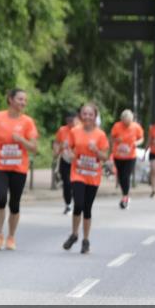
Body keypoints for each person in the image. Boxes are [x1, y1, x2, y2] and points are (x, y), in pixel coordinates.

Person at [0, 88, 39, 250]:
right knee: (1, 198)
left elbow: (34, 148)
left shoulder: (28, 122)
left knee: (14, 203)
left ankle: (11, 236)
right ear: (10, 99)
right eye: (20, 99)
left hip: (18, 167)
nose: (23, 102)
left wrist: (22, 140)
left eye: (25, 100)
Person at [61, 103, 110, 254]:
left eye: (90, 114)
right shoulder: (75, 131)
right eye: (84, 114)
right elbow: (67, 148)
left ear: (95, 117)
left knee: (87, 208)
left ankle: (86, 240)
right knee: (78, 204)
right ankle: (74, 234)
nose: (87, 117)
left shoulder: (100, 135)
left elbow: (105, 157)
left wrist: (96, 150)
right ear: (80, 115)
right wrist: (69, 154)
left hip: (93, 176)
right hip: (78, 173)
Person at [110, 109, 144, 209]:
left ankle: (125, 197)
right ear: (122, 120)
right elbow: (111, 138)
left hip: (130, 156)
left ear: (131, 120)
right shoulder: (117, 126)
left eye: (128, 122)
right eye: (125, 122)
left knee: (126, 176)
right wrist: (116, 140)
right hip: (118, 155)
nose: (126, 124)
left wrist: (136, 143)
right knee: (121, 176)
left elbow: (141, 138)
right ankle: (125, 194)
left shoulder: (136, 127)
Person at [52, 112, 77, 214]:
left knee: (75, 183)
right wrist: (57, 149)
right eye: (68, 121)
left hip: (77, 162)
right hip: (65, 159)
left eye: (72, 121)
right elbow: (56, 142)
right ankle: (68, 204)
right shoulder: (62, 130)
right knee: (66, 183)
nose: (70, 123)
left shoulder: (79, 130)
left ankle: (77, 202)